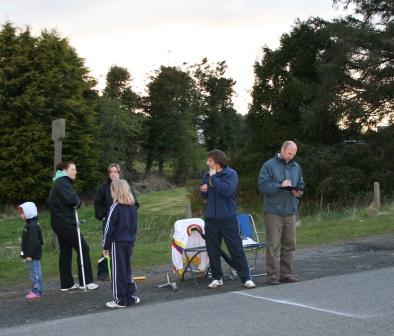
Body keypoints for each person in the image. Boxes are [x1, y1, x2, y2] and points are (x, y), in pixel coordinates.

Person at [200, 149, 256, 289]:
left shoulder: (231, 174)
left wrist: (215, 179)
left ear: (217, 162)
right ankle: (217, 277)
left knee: (236, 249)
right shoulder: (207, 175)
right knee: (212, 249)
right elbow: (205, 197)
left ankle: (246, 278)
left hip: (227, 218)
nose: (207, 163)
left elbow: (226, 191)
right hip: (211, 218)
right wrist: (203, 191)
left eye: (210, 161)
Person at [258, 141, 305, 285]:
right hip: (274, 212)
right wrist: (280, 186)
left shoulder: (296, 166)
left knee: (290, 244)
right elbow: (263, 186)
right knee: (273, 245)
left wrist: (298, 192)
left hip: (290, 210)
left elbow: (301, 184)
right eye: (289, 153)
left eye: (293, 154)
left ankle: (286, 274)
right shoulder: (269, 165)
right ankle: (272, 275)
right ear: (282, 149)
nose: (291, 156)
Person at [49, 161, 98, 291]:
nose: (75, 171)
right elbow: (73, 200)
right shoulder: (63, 182)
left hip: (59, 222)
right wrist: (78, 201)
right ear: (65, 170)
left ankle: (66, 284)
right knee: (83, 248)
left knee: (65, 251)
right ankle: (86, 281)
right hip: (65, 222)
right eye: (73, 169)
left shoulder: (60, 182)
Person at [94, 163, 139, 280]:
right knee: (108, 246)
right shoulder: (104, 188)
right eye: (111, 172)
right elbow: (97, 204)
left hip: (125, 223)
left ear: (119, 173)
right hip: (110, 222)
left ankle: (123, 271)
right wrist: (103, 216)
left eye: (115, 172)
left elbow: (135, 203)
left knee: (125, 247)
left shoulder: (125, 186)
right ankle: (103, 272)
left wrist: (130, 214)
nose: (113, 174)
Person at [103, 179, 140, 308]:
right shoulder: (133, 207)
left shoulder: (115, 207)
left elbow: (109, 228)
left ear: (115, 191)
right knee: (127, 269)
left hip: (117, 242)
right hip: (129, 241)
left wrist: (105, 246)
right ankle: (130, 296)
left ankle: (120, 299)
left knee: (118, 271)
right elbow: (135, 226)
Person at [18, 202, 43, 300]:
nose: (21, 215)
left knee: (35, 274)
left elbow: (34, 242)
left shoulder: (32, 226)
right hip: (30, 255)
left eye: (22, 213)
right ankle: (35, 290)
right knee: (33, 272)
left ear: (29, 213)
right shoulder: (29, 225)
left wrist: (30, 255)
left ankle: (37, 292)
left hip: (33, 256)